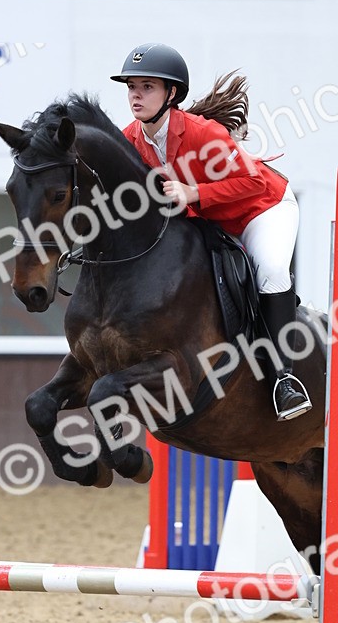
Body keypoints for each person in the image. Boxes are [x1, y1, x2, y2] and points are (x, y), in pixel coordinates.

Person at [111, 42, 311, 421]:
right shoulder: (130, 140)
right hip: (208, 220)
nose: (136, 95)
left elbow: (252, 183)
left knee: (269, 270)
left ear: (171, 94)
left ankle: (283, 379)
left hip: (261, 210)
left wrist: (194, 192)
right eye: (131, 86)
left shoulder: (204, 133)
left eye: (146, 87)